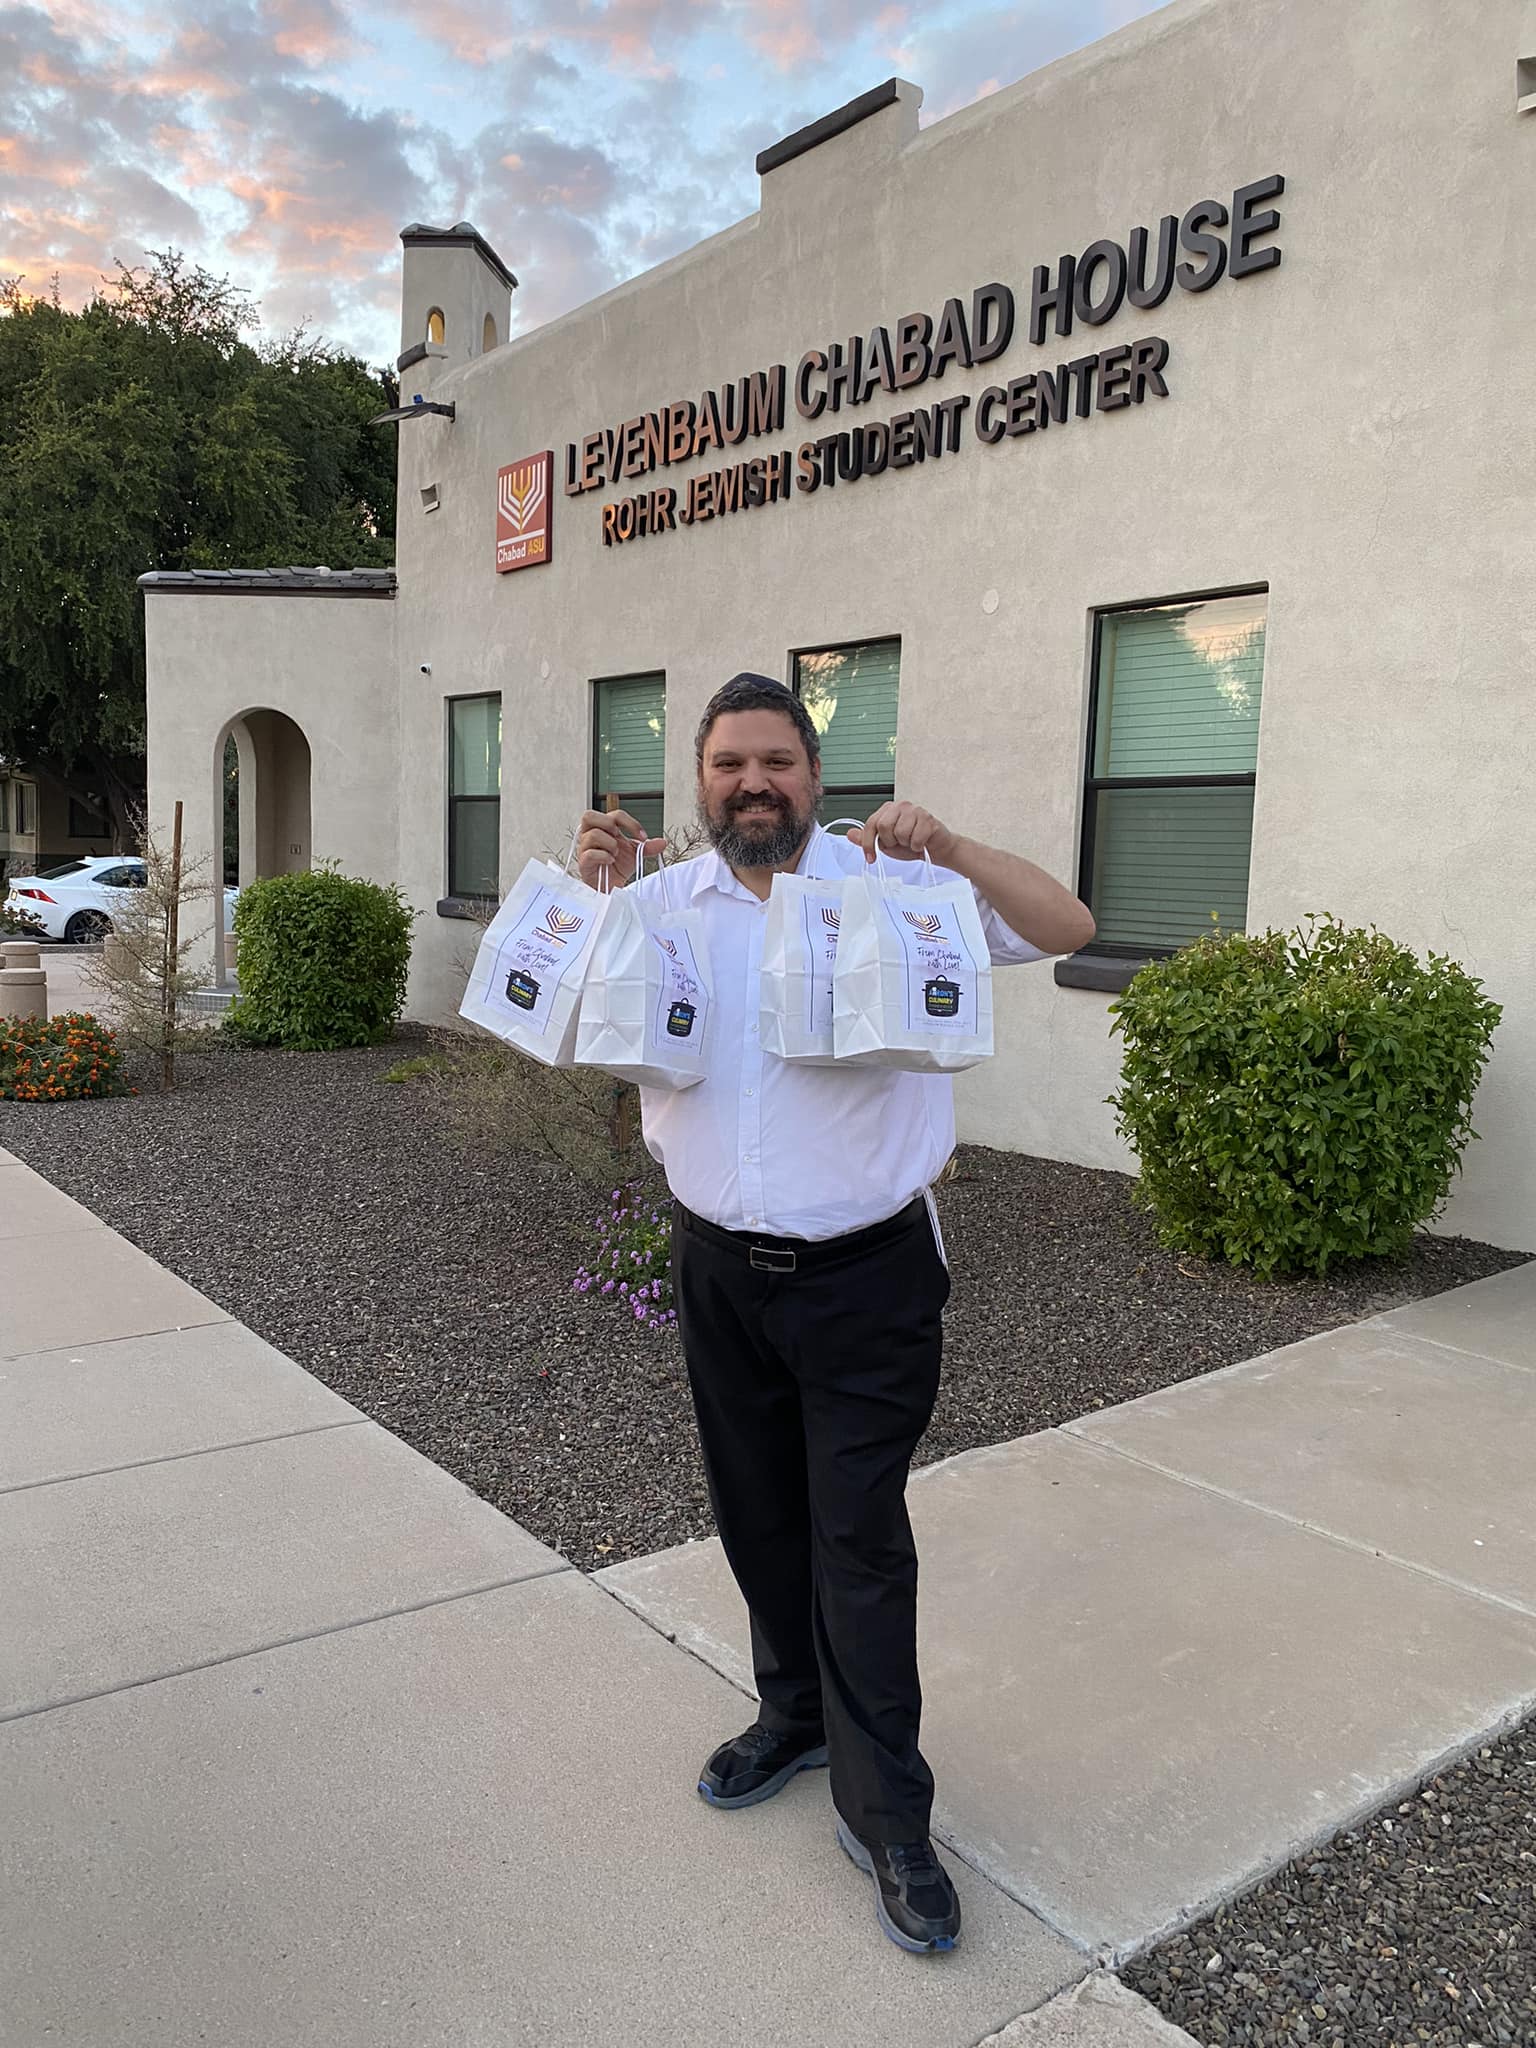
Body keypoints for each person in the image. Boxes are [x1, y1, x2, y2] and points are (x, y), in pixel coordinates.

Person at [576, 672, 1094, 1954]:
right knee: (757, 1514)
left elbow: (1071, 922)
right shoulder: (657, 903)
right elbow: (568, 1004)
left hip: (868, 1275)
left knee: (856, 1540)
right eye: (728, 764)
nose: (754, 782)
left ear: (817, 775)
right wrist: (585, 892)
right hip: (715, 1267)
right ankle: (793, 1713)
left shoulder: (896, 887)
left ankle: (892, 1814)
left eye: (778, 762)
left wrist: (954, 842)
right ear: (700, 785)